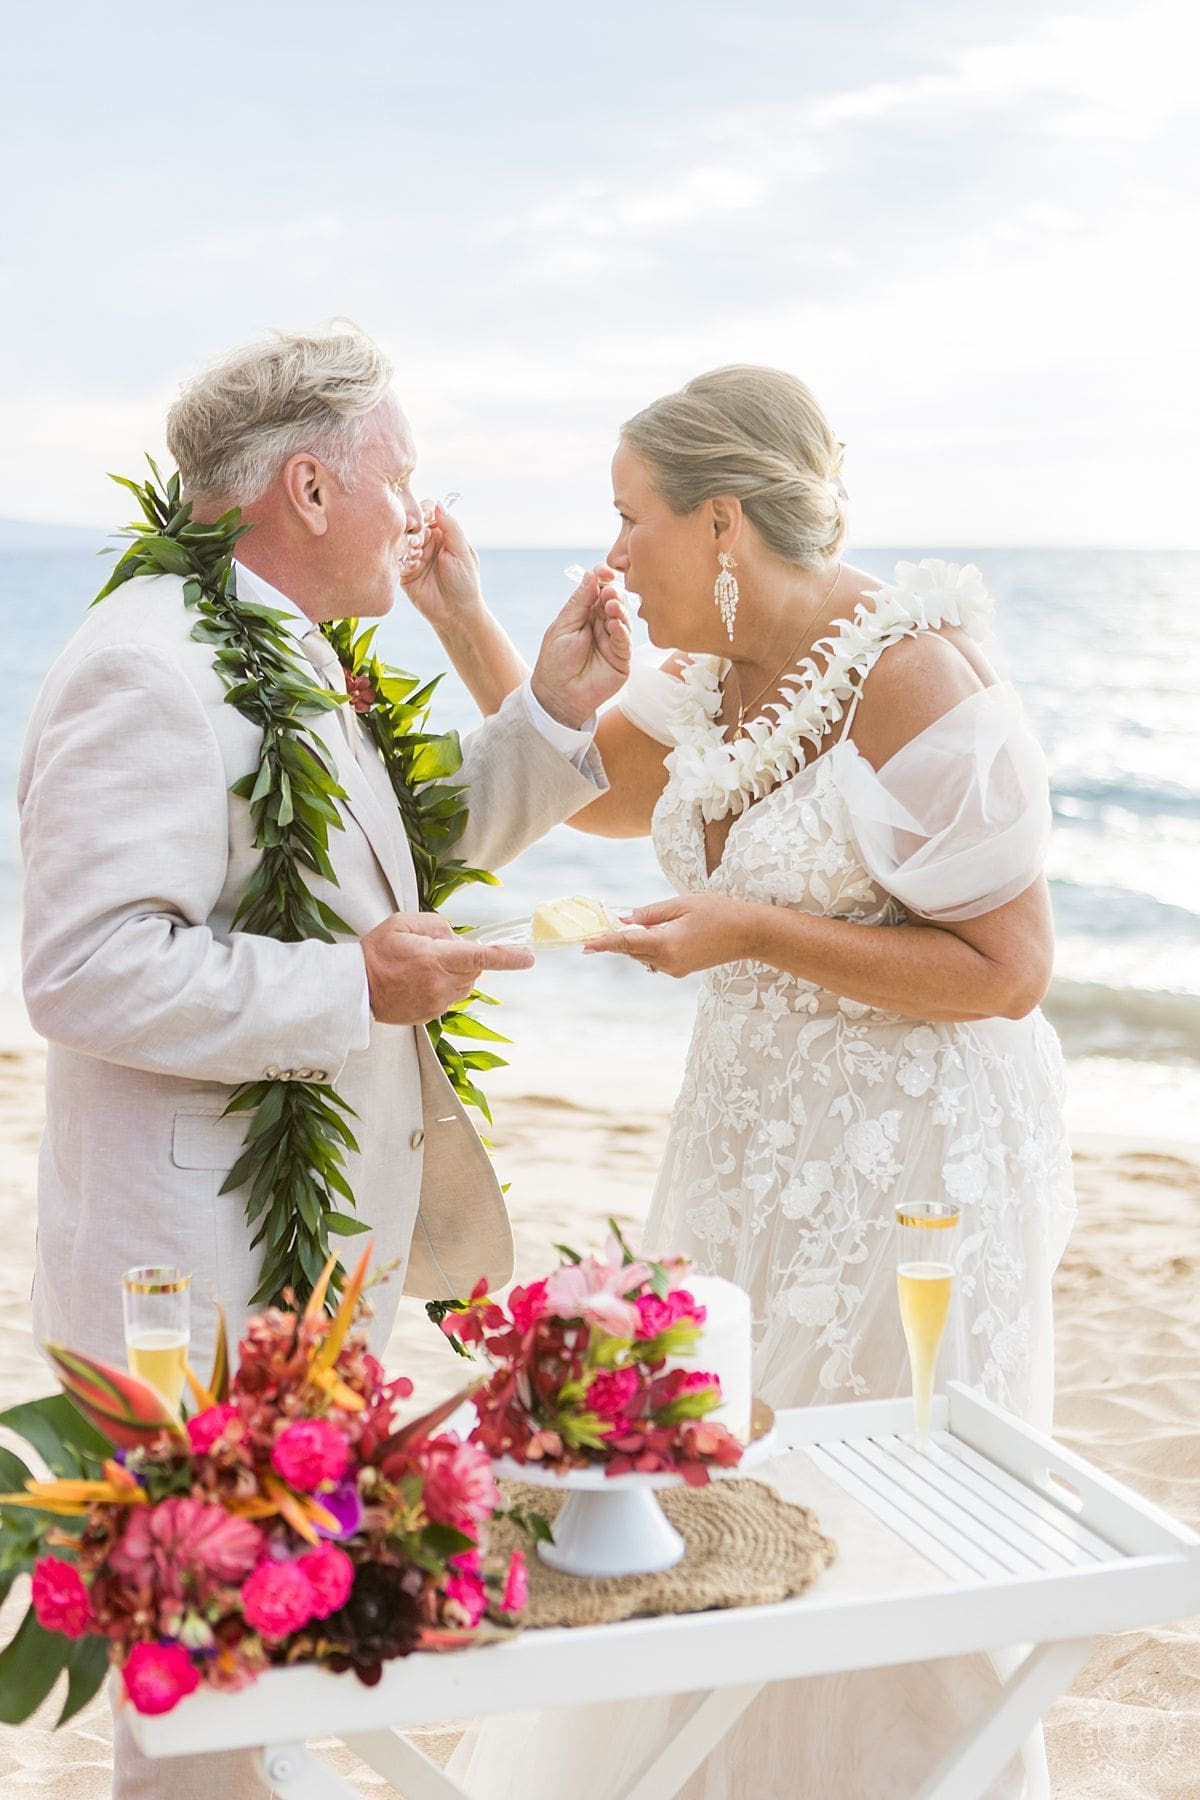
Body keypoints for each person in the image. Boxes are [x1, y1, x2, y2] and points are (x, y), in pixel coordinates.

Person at [432, 366, 1075, 1797]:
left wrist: (751, 932)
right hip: (746, 1138)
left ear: (723, 522)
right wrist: (465, 618)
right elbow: (595, 798)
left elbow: (1011, 966)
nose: (613, 556)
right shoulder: (715, 671)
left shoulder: (916, 675)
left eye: (630, 519)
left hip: (909, 1171)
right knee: (717, 1496)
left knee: (883, 1518)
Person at [16, 324, 631, 1800]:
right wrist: (354, 982)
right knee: (204, 1694)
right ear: (306, 488)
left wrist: (546, 714)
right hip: (197, 1274)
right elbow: (82, 969)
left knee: (268, 1669)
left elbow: (390, 854)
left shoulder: (285, 648)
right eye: (399, 480)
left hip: (302, 1258)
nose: (420, 519)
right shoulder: (151, 669)